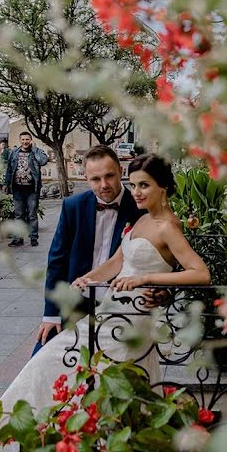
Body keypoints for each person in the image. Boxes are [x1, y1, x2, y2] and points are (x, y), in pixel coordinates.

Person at [0, 153, 210, 452]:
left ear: (161, 187)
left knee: (103, 387)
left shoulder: (153, 216)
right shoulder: (97, 210)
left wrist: (153, 284)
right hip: (96, 308)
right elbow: (105, 261)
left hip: (127, 320)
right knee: (46, 363)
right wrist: (82, 283)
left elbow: (189, 270)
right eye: (134, 184)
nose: (132, 190)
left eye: (118, 178)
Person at [33, 145, 141, 355]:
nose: (104, 185)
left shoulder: (139, 208)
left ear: (121, 171)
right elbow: (57, 260)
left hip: (120, 304)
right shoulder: (73, 206)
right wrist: (51, 315)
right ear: (86, 178)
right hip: (76, 300)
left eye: (109, 176)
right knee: (42, 355)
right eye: (95, 179)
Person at [2, 132, 49, 247]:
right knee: (19, 215)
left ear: (31, 140)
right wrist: (6, 184)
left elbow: (43, 161)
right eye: (23, 139)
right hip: (18, 189)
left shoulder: (36, 152)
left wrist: (35, 150)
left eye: (27, 139)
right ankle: (18, 238)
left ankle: (33, 237)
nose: (25, 141)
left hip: (32, 189)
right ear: (20, 140)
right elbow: (9, 170)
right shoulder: (14, 153)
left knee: (32, 215)